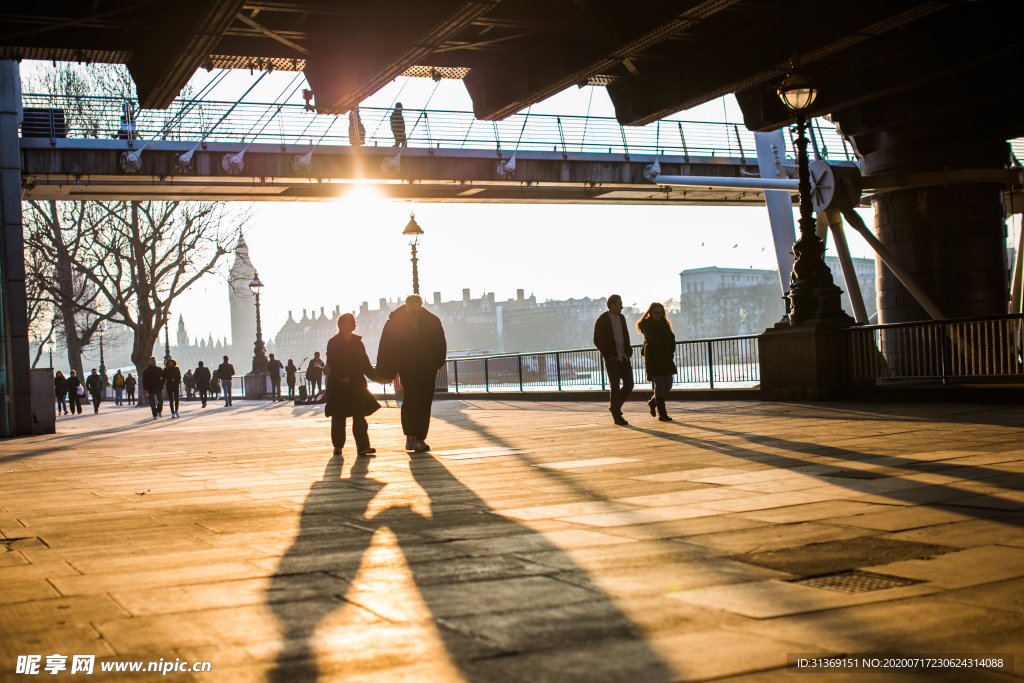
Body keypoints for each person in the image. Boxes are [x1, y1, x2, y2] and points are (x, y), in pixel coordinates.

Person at [377, 294, 447, 452]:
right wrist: (387, 371)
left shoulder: (432, 321)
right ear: (406, 307)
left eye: (418, 311)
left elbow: (441, 344)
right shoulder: (395, 323)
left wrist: (437, 364)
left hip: (428, 368)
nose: (415, 314)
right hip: (407, 368)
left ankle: (420, 438)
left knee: (425, 402)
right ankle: (410, 437)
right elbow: (386, 348)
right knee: (411, 399)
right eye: (412, 311)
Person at [326, 313, 387, 456]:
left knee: (359, 416)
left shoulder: (358, 343)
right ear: (341, 324)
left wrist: (381, 378)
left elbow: (365, 365)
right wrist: (342, 377)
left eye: (354, 322)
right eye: (351, 322)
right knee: (339, 417)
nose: (354, 324)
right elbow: (332, 363)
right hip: (339, 386)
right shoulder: (333, 342)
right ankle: (338, 446)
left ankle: (363, 446)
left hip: (357, 385)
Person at [594, 294, 634, 426]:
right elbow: (597, 340)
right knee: (615, 386)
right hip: (612, 359)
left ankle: (615, 407)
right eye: (619, 304)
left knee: (629, 384)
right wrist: (608, 354)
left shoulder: (621, 318)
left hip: (623, 357)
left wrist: (628, 352)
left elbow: (625, 335)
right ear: (612, 305)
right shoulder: (602, 320)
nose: (621, 307)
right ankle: (617, 416)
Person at [638, 302, 676, 422]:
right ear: (650, 313)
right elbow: (653, 337)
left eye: (661, 313)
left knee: (668, 385)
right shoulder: (646, 324)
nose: (659, 315)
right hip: (654, 359)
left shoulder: (665, 324)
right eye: (656, 313)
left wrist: (671, 351)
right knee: (659, 384)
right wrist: (660, 324)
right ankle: (662, 413)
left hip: (666, 359)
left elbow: (671, 339)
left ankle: (653, 401)